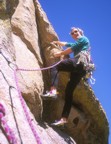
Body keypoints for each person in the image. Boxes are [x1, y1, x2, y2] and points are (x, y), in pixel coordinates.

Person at [42, 27, 93, 126]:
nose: (75, 33)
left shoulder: (83, 38)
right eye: (72, 33)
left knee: (56, 67)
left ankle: (53, 91)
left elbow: (70, 49)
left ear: (80, 32)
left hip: (79, 62)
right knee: (69, 92)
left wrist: (60, 53)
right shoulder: (78, 42)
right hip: (81, 70)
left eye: (76, 31)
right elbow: (68, 44)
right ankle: (64, 119)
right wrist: (58, 42)